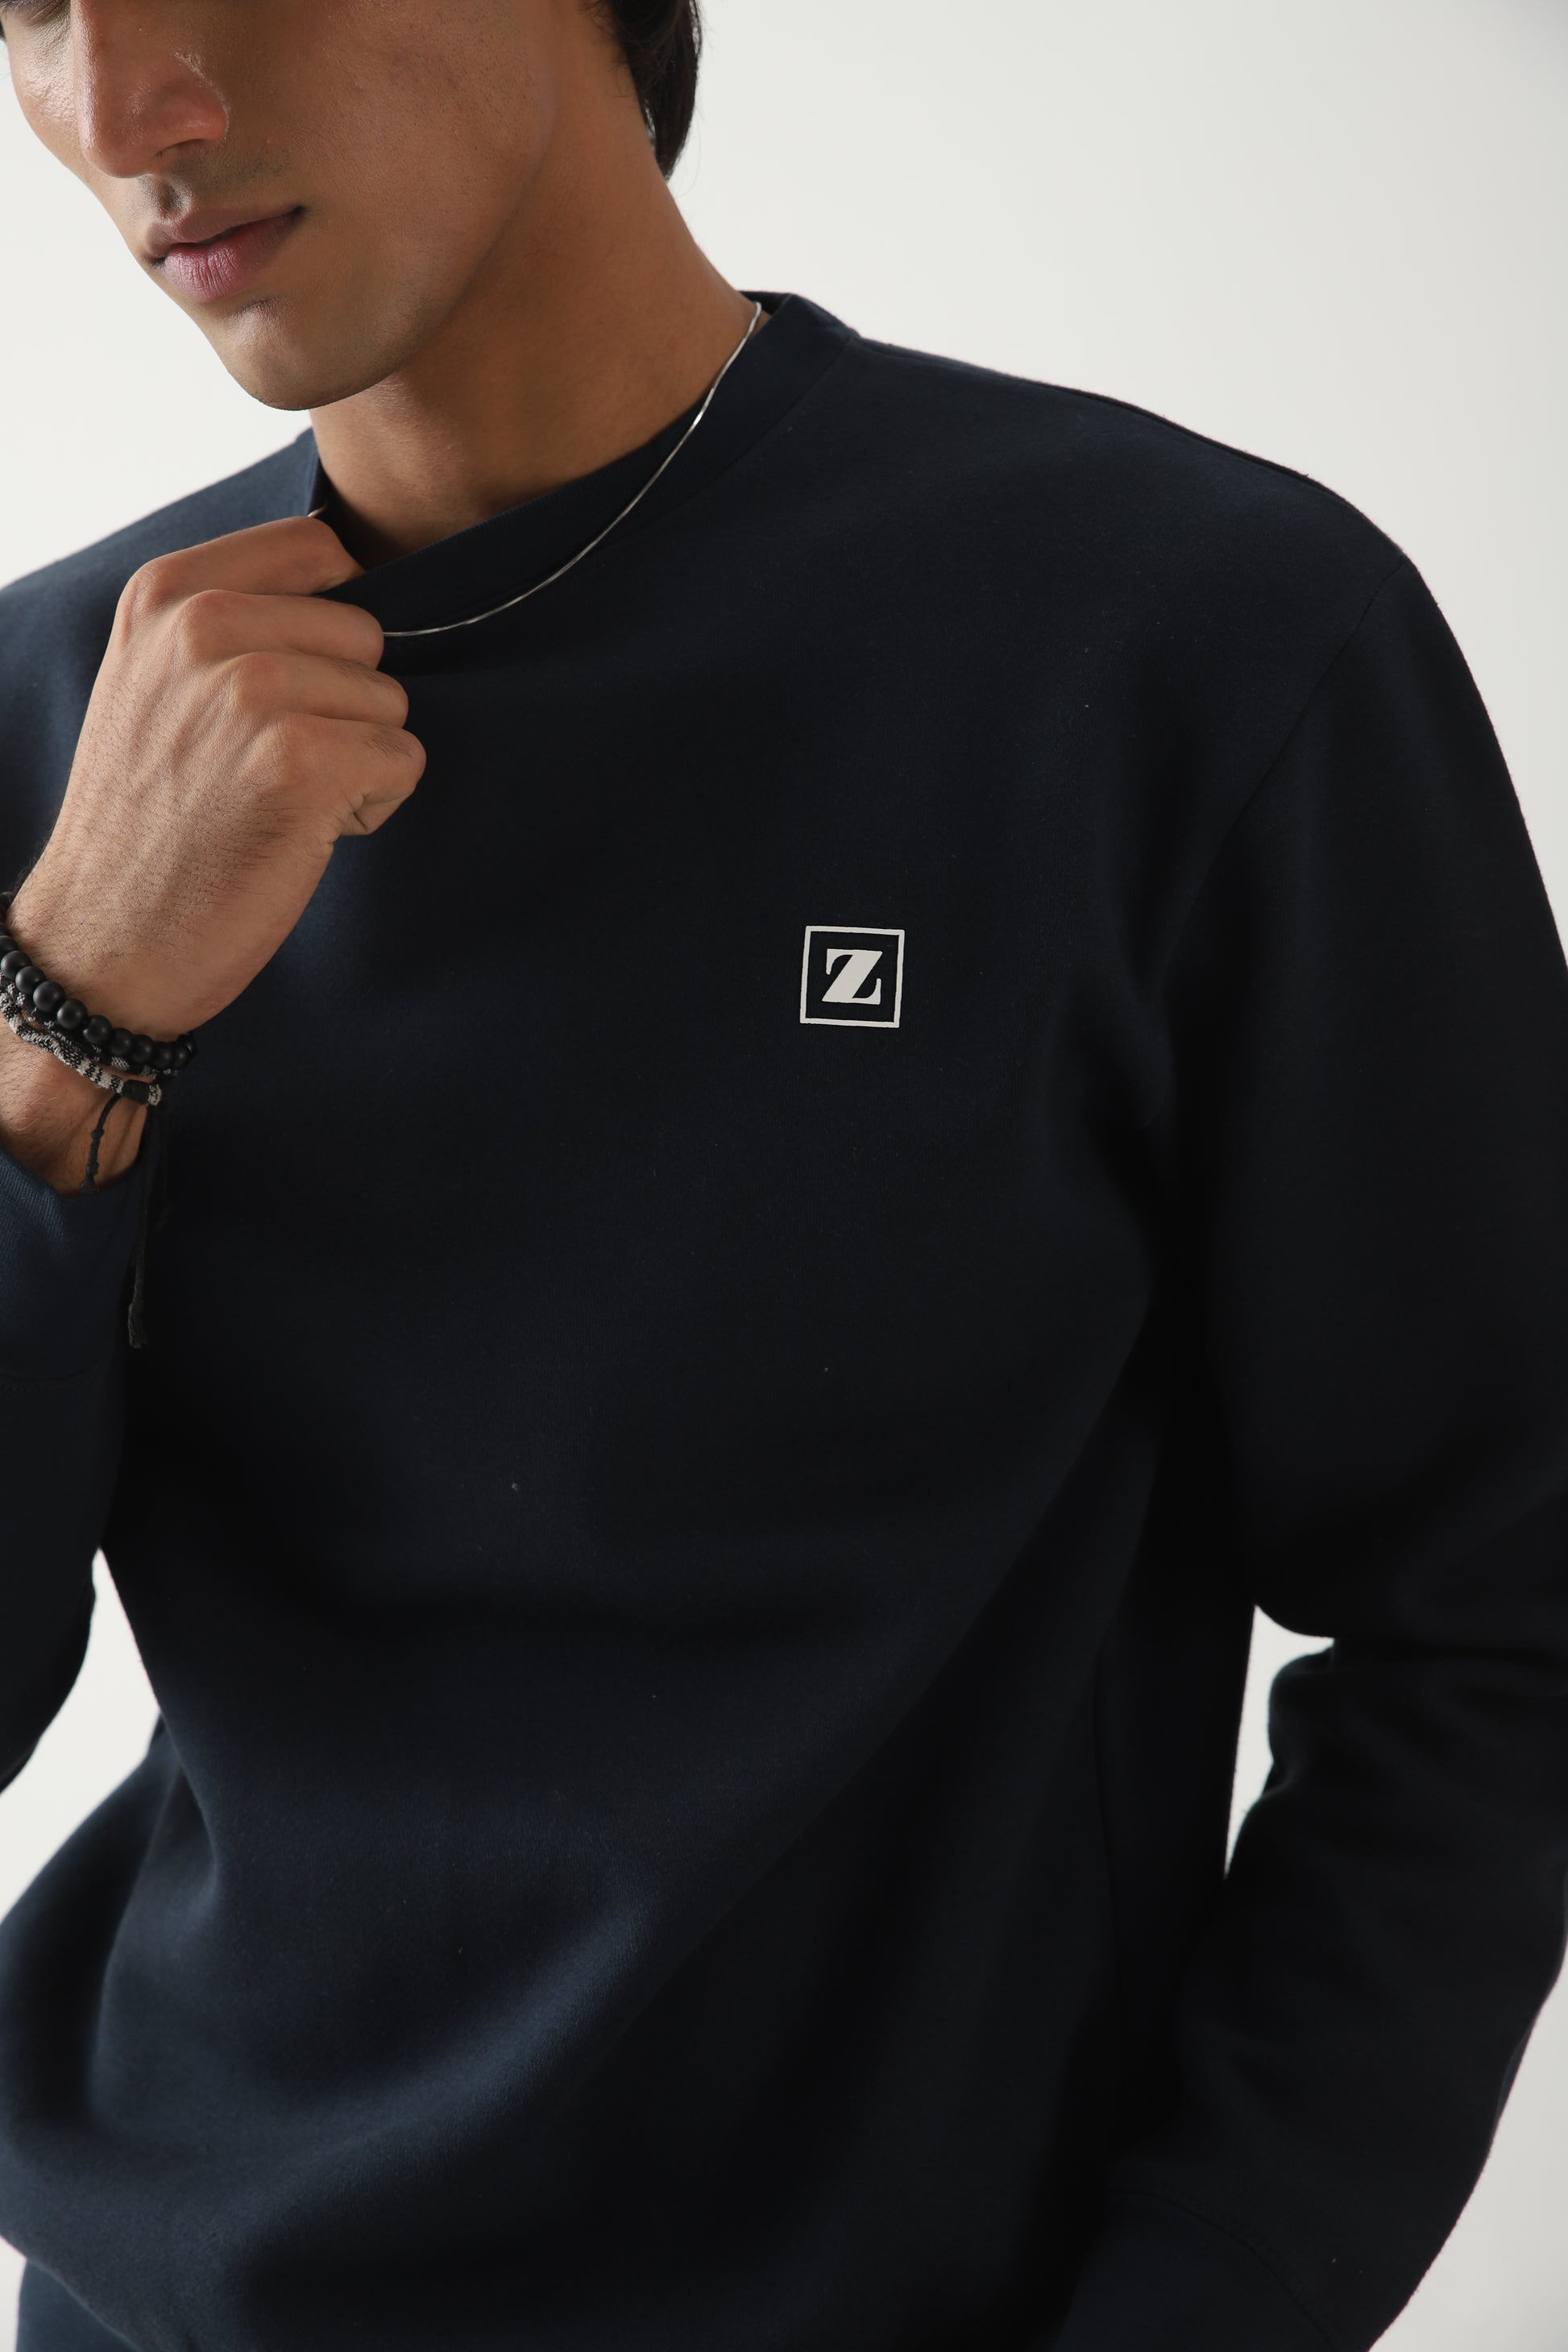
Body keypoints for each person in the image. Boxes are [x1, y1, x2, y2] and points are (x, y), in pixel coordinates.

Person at [0, 1, 1565, 2346]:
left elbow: (1498, 1613)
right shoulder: (63, 742)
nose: (127, 110)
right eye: (31, 5)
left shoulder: (1190, 640)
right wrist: (70, 1021)